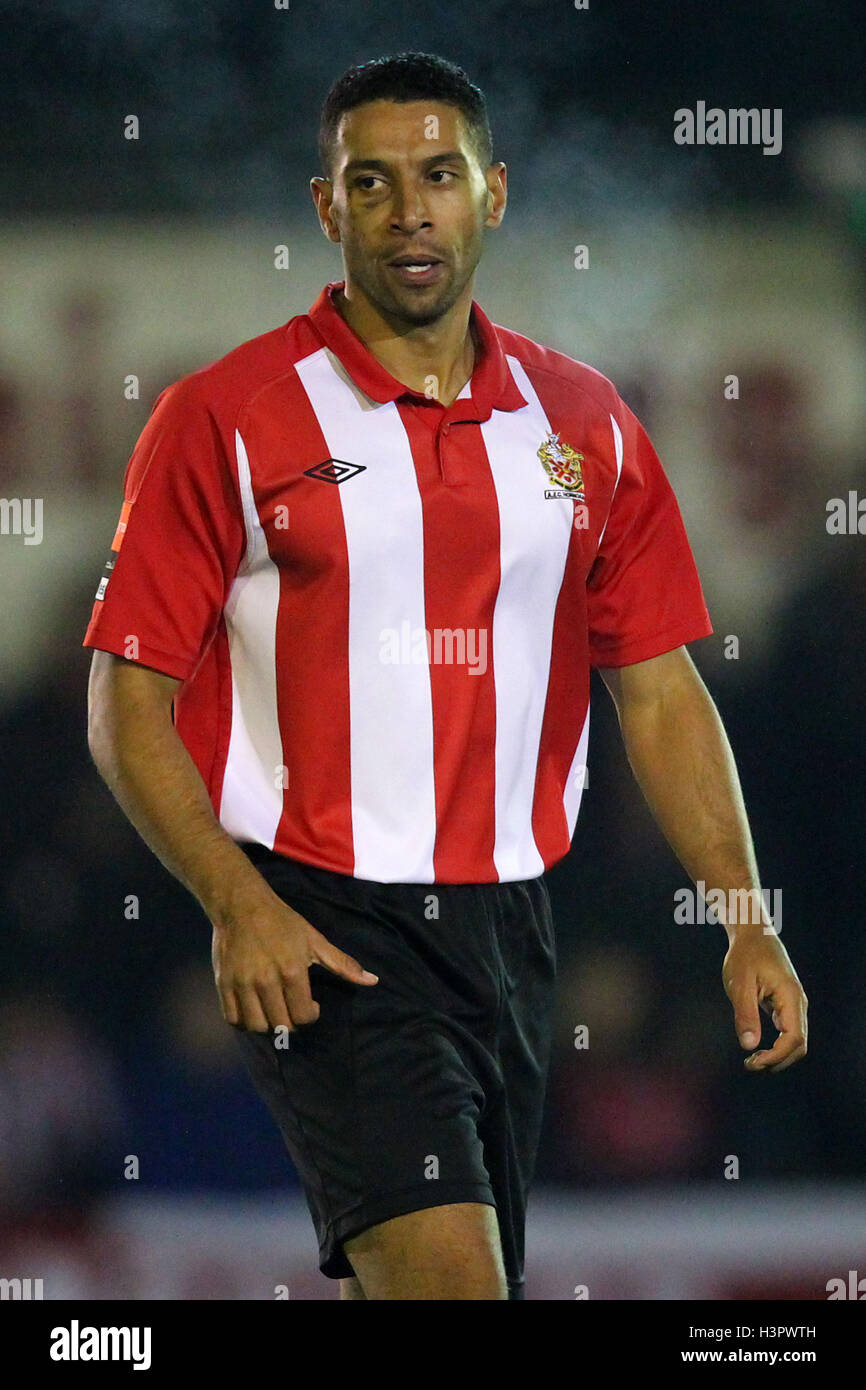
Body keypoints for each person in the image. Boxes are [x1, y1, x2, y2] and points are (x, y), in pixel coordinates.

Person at [83, 51, 808, 1301]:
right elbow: (123, 699)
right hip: (328, 923)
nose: (408, 210)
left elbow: (656, 685)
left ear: (494, 194)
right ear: (328, 209)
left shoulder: (582, 422)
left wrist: (743, 915)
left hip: (514, 925)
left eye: (437, 176)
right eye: (371, 183)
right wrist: (234, 900)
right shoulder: (230, 414)